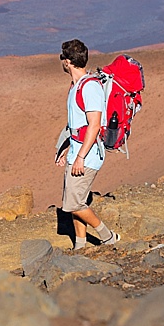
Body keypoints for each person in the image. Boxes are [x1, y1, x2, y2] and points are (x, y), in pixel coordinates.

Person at [56, 39, 120, 250]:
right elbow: (76, 125)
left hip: (88, 154)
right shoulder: (75, 86)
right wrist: (66, 149)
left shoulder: (89, 87)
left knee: (73, 204)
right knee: (77, 201)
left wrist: (81, 157)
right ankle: (81, 245)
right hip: (77, 150)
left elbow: (93, 125)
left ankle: (108, 236)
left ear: (67, 62)